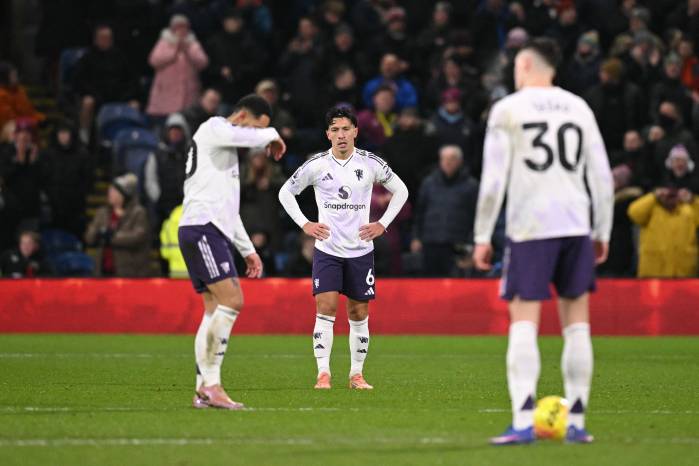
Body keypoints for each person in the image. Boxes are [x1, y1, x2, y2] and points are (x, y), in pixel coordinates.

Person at [473, 38, 614, 445]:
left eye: (518, 66)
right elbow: (602, 176)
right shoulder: (578, 107)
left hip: (531, 226)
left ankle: (522, 420)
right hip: (575, 224)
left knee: (523, 323)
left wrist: (483, 235)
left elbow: (494, 181)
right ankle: (578, 421)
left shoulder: (508, 109)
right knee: (577, 325)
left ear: (528, 66)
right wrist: (601, 231)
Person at [278, 106, 408, 390]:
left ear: (356, 132)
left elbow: (402, 190)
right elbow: (285, 191)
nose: (341, 135)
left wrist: (382, 223)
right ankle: (323, 373)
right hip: (327, 250)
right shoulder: (316, 165)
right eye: (335, 130)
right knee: (325, 308)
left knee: (359, 313)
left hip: (361, 251)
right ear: (327, 134)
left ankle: (356, 375)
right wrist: (305, 223)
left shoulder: (370, 163)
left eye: (346, 129)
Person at [178, 94, 286, 410]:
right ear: (241, 117)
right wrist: (273, 133)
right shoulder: (213, 127)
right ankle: (211, 385)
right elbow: (245, 134)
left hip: (206, 229)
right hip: (202, 229)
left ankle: (203, 390)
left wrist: (248, 250)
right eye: (255, 128)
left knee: (213, 309)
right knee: (232, 300)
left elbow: (230, 209)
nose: (256, 139)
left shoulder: (225, 155)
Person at [411, 145, 479, 276]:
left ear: (460, 161)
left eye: (452, 159)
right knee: (429, 285)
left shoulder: (471, 186)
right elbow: (419, 213)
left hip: (457, 244)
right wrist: (416, 237)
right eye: (444, 159)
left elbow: (476, 217)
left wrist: (471, 244)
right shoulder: (428, 183)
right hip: (431, 242)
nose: (447, 162)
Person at [72, 24, 139, 144]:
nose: (106, 40)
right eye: (102, 38)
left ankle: (133, 137)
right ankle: (84, 136)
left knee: (135, 105)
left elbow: (131, 80)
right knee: (87, 102)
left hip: (119, 97)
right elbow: (80, 81)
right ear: (96, 39)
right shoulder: (87, 58)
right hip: (96, 96)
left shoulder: (120, 56)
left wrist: (126, 96)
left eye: (108, 38)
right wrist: (94, 94)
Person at [84, 173, 150, 277]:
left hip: (129, 272)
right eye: (110, 191)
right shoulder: (102, 213)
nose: (110, 194)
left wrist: (111, 236)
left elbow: (137, 237)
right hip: (102, 271)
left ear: (123, 194)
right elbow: (89, 237)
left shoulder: (138, 213)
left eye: (114, 191)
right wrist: (99, 234)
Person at [146, 15, 209, 121]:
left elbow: (203, 62)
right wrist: (174, 52)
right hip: (165, 92)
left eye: (184, 28)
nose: (181, 31)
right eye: (178, 28)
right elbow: (154, 60)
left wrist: (187, 51)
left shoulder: (192, 44)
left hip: (188, 94)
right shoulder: (164, 43)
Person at [627, 184, 699, 277]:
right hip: (653, 273)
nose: (669, 197)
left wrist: (692, 200)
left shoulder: (688, 210)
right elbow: (633, 212)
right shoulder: (651, 209)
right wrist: (653, 196)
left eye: (673, 195)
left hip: (683, 273)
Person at [40, 120, 91, 237]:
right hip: (54, 205)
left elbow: (87, 179)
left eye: (66, 133)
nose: (63, 136)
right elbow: (43, 178)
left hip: (75, 206)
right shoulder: (47, 154)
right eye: (61, 133)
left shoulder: (82, 154)